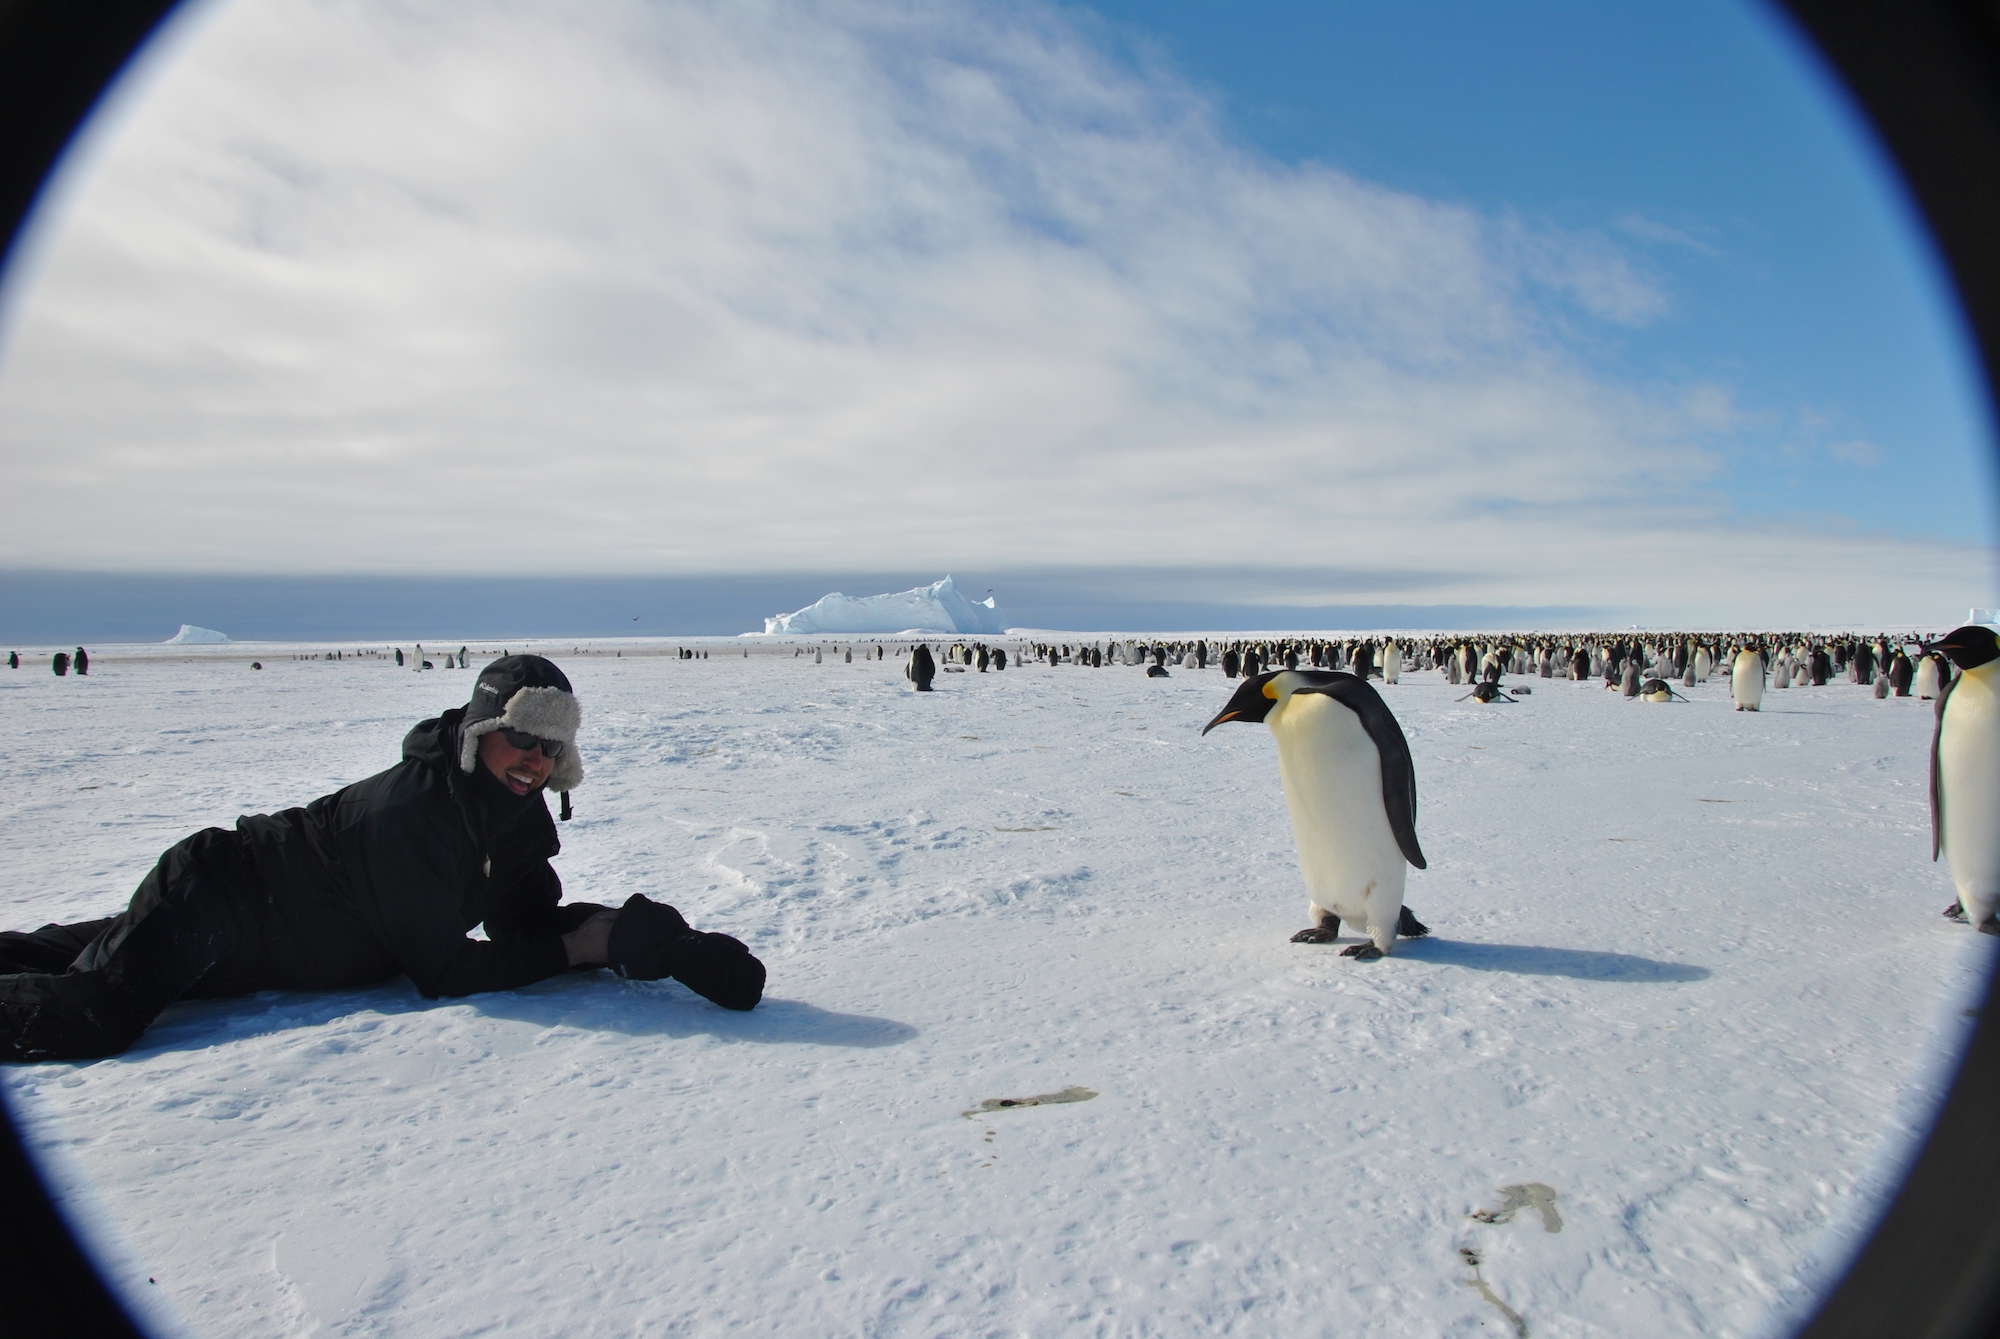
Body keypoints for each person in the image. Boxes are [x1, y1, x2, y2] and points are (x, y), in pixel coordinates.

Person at [0, 655, 763, 1063]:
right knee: (93, 1014)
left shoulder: (511, 816)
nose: (535, 758)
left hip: (250, 941)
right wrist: (576, 947)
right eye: (522, 736)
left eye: (551, 745)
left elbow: (526, 921)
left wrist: (655, 941)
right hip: (218, 900)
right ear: (478, 730)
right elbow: (443, 970)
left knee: (49, 954)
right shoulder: (413, 810)